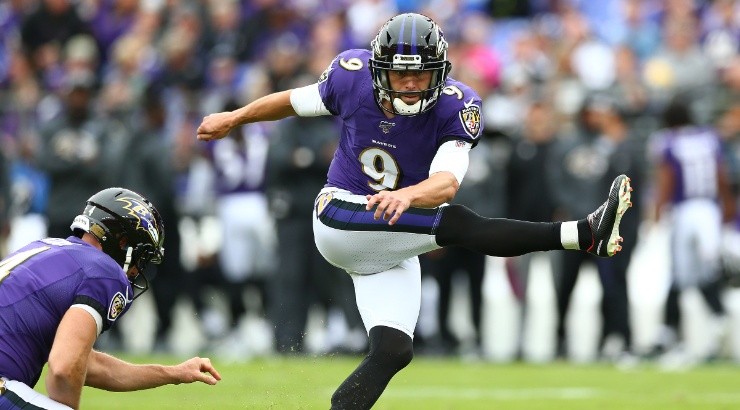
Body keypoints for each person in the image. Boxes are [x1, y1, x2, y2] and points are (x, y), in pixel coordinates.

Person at [197, 13, 632, 409]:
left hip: (389, 231)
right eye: (399, 74)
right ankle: (585, 234)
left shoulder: (456, 105)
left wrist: (409, 196)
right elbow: (293, 100)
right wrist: (236, 117)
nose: (409, 84)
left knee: (393, 350)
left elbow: (447, 181)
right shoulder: (352, 78)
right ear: (379, 69)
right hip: (340, 214)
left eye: (421, 74)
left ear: (439, 72)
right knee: (458, 223)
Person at [0, 187, 221, 409]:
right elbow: (63, 369)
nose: (136, 270)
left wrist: (174, 373)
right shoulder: (104, 270)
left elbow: (86, 364)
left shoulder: (45, 248)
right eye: (140, 256)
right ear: (123, 242)